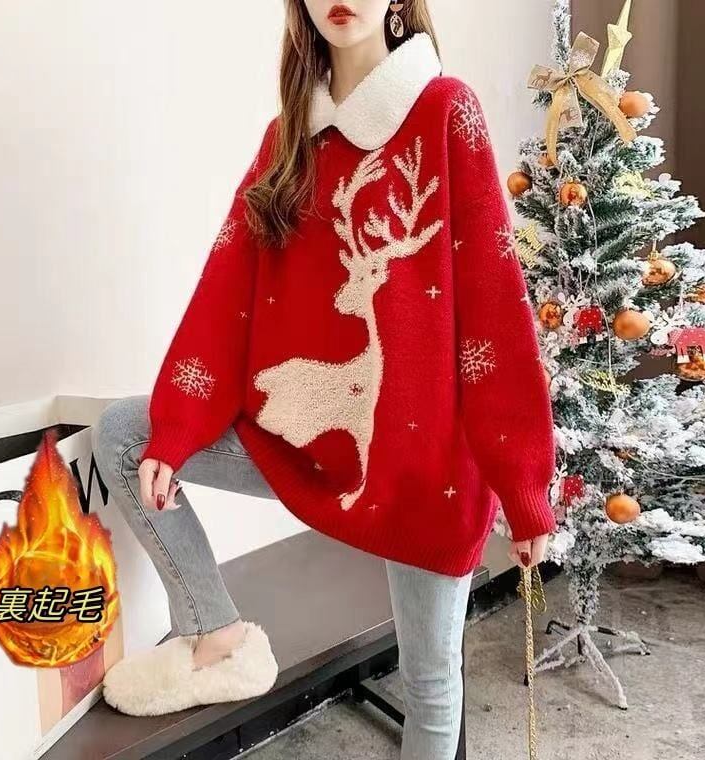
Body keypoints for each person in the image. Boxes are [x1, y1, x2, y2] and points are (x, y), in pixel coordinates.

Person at [92, 1, 557, 757]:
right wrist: (178, 429)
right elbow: (227, 294)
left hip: (425, 470)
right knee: (124, 433)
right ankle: (215, 634)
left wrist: (523, 484)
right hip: (305, 446)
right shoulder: (286, 139)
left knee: (431, 685)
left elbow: (494, 311)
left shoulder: (446, 111)